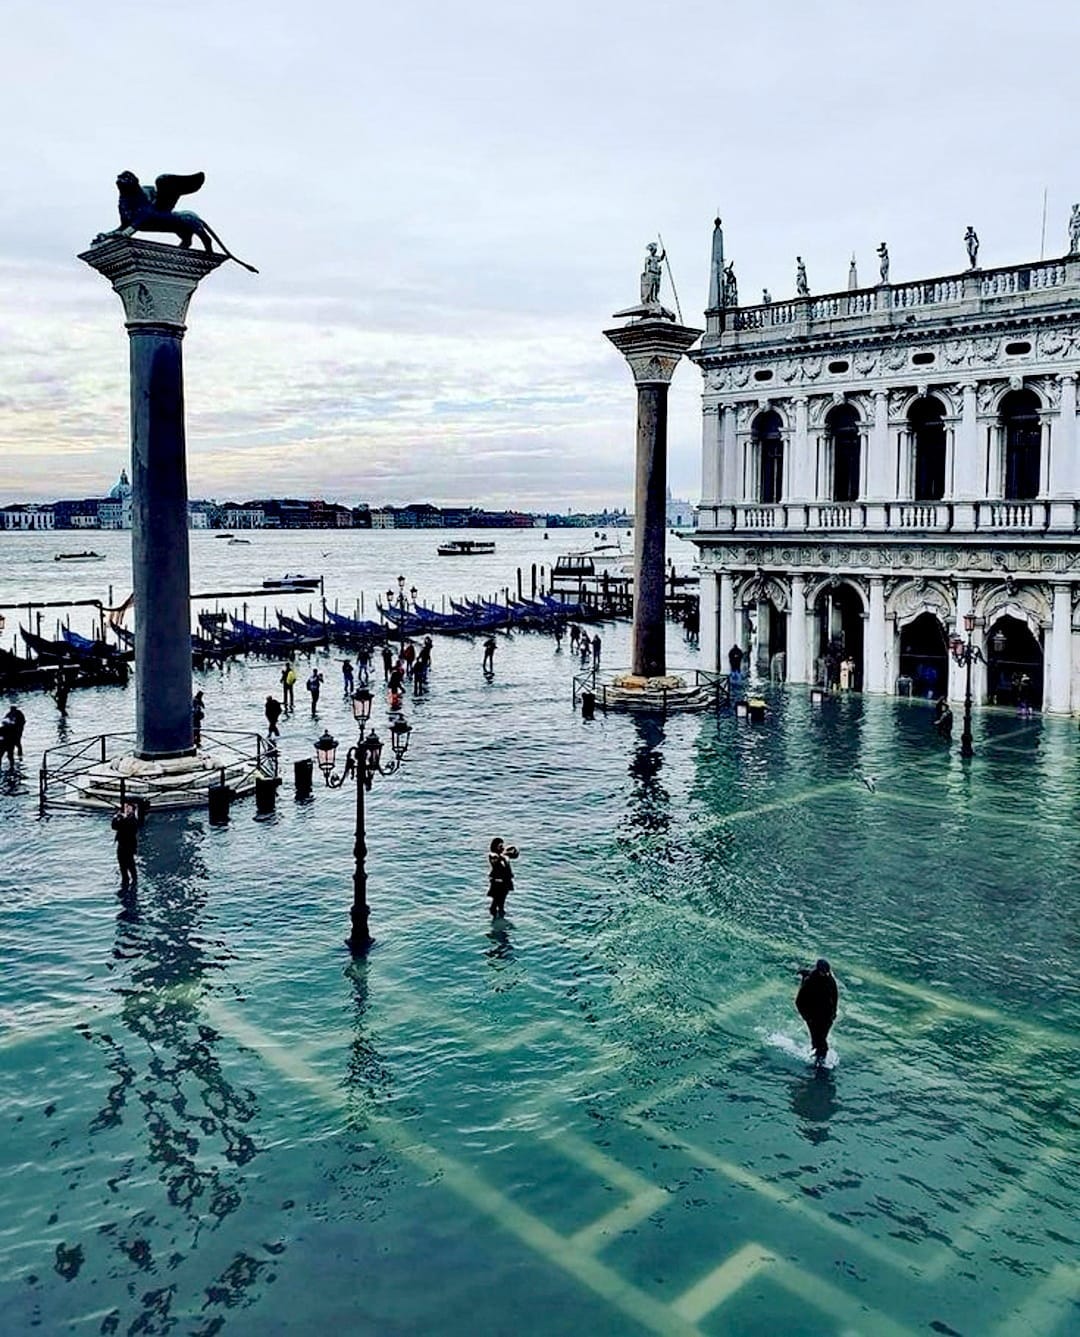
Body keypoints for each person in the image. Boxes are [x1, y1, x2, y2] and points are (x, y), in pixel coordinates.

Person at [796, 959, 839, 1065]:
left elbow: (835, 997)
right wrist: (806, 1017)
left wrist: (833, 1013)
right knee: (817, 1040)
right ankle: (818, 1061)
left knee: (821, 1040)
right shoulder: (810, 981)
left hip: (827, 1016)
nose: (826, 974)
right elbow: (799, 1001)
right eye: (824, 972)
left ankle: (819, 1060)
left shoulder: (830, 980)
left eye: (827, 972)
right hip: (813, 1016)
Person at [111, 801, 140, 891]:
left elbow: (126, 827)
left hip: (129, 846)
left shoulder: (132, 819)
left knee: (130, 864)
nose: (126, 809)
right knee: (122, 864)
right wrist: (116, 817)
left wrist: (122, 819)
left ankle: (134, 879)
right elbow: (114, 826)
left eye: (128, 807)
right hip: (122, 844)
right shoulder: (123, 817)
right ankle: (125, 879)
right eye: (125, 807)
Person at [487, 837, 519, 917]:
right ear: (495, 846)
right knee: (496, 902)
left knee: (501, 902)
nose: (502, 847)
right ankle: (495, 917)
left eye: (502, 846)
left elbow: (513, 856)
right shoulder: (493, 855)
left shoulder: (504, 856)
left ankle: (500, 916)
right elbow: (495, 858)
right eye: (500, 846)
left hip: (505, 883)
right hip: (497, 883)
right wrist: (504, 854)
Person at [640, 242, 665, 306]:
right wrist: (646, 272)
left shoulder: (656, 258)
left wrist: (663, 254)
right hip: (651, 273)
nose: (655, 251)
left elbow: (661, 259)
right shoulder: (648, 258)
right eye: (653, 250)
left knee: (657, 287)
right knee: (651, 287)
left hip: (657, 274)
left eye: (655, 250)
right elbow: (646, 266)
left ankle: (655, 297)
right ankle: (651, 298)